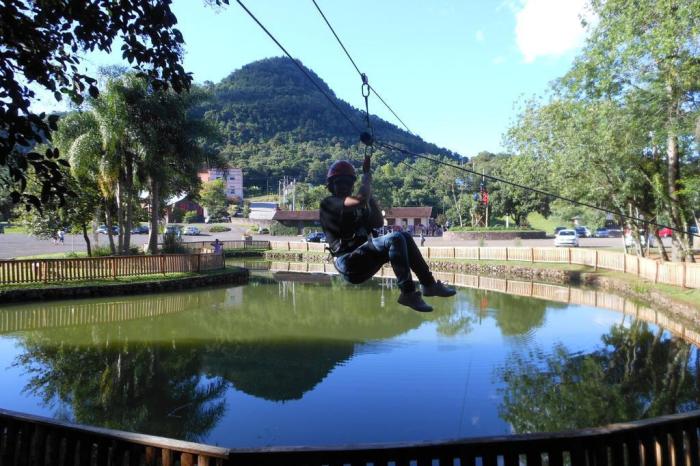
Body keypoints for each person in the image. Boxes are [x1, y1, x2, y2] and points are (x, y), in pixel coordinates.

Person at [320, 158, 455, 312]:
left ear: (352, 185)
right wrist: (366, 178)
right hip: (348, 262)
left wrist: (369, 196)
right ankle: (408, 292)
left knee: (404, 236)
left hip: (363, 259)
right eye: (339, 183)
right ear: (331, 186)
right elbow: (360, 200)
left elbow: (377, 222)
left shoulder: (358, 205)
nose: (343, 186)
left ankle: (429, 285)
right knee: (395, 238)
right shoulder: (329, 203)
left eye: (347, 183)